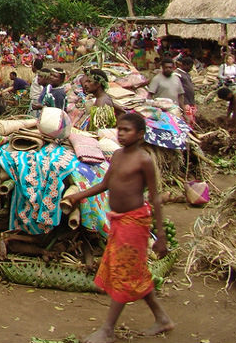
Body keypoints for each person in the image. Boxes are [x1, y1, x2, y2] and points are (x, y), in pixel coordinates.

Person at [62, 112, 173, 343]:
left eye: (127, 130)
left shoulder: (144, 160)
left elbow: (155, 198)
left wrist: (160, 235)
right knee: (135, 272)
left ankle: (108, 329)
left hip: (135, 222)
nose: (121, 133)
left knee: (124, 272)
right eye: (119, 129)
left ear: (140, 134)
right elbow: (104, 184)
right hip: (119, 220)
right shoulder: (119, 155)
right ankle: (162, 318)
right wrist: (78, 196)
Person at [175, 56, 196, 126]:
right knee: (187, 119)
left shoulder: (186, 74)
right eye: (190, 66)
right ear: (185, 65)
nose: (191, 68)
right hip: (185, 101)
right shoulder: (177, 73)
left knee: (192, 119)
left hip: (190, 101)